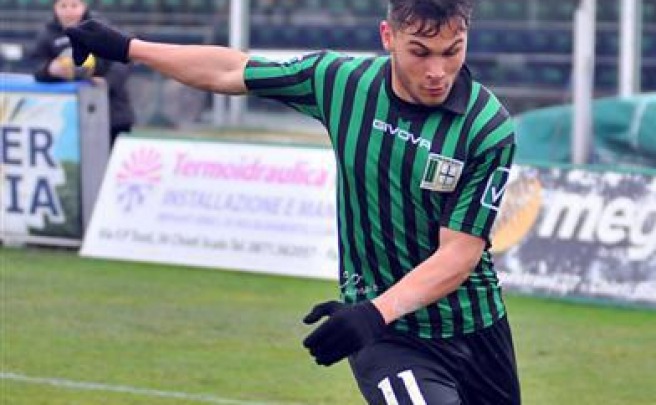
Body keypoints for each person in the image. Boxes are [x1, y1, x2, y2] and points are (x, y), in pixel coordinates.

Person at [64, 0, 521, 403]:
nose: (437, 71)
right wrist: (128, 48)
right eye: (420, 52)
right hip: (388, 332)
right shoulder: (341, 82)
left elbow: (460, 254)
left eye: (452, 51)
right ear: (388, 37)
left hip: (475, 329)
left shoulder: (487, 127)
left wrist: (373, 312)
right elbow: (231, 70)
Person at [30, 0, 135, 147]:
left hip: (111, 113)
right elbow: (36, 65)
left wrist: (107, 82)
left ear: (84, 6)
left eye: (74, 6)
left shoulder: (100, 28)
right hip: (68, 116)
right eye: (63, 6)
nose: (69, 11)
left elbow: (124, 59)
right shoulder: (47, 33)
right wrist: (49, 69)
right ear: (55, 8)